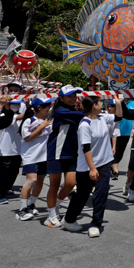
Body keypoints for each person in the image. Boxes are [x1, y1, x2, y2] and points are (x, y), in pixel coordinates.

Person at [62, 95, 123, 237]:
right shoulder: (84, 125)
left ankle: (96, 223)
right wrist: (92, 168)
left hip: (105, 162)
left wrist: (119, 103)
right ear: (94, 105)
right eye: (100, 102)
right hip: (87, 166)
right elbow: (86, 148)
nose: (102, 104)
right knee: (82, 195)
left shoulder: (103, 117)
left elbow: (119, 117)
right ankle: (69, 219)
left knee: (101, 193)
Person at [44, 85, 85, 228]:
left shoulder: (74, 110)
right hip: (56, 152)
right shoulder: (60, 111)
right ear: (61, 98)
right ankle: (51, 215)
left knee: (71, 183)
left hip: (72, 153)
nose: (73, 98)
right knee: (54, 185)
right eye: (70, 96)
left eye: (75, 95)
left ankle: (56, 206)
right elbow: (83, 115)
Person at [16, 97, 55, 221]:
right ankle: (22, 209)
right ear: (39, 107)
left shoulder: (48, 121)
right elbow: (27, 138)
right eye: (47, 106)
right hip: (30, 156)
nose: (49, 108)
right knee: (31, 180)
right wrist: (42, 126)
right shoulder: (29, 121)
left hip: (44, 157)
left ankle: (32, 204)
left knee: (40, 181)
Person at [0, 93, 25, 205]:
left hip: (18, 150)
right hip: (4, 151)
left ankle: (5, 191)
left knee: (14, 172)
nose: (16, 106)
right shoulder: (3, 116)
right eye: (13, 104)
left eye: (18, 104)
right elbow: (20, 117)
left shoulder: (22, 115)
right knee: (2, 175)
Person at [111, 99, 134, 180]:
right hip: (116, 132)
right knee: (115, 151)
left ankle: (113, 166)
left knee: (120, 152)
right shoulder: (115, 101)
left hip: (127, 132)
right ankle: (115, 171)